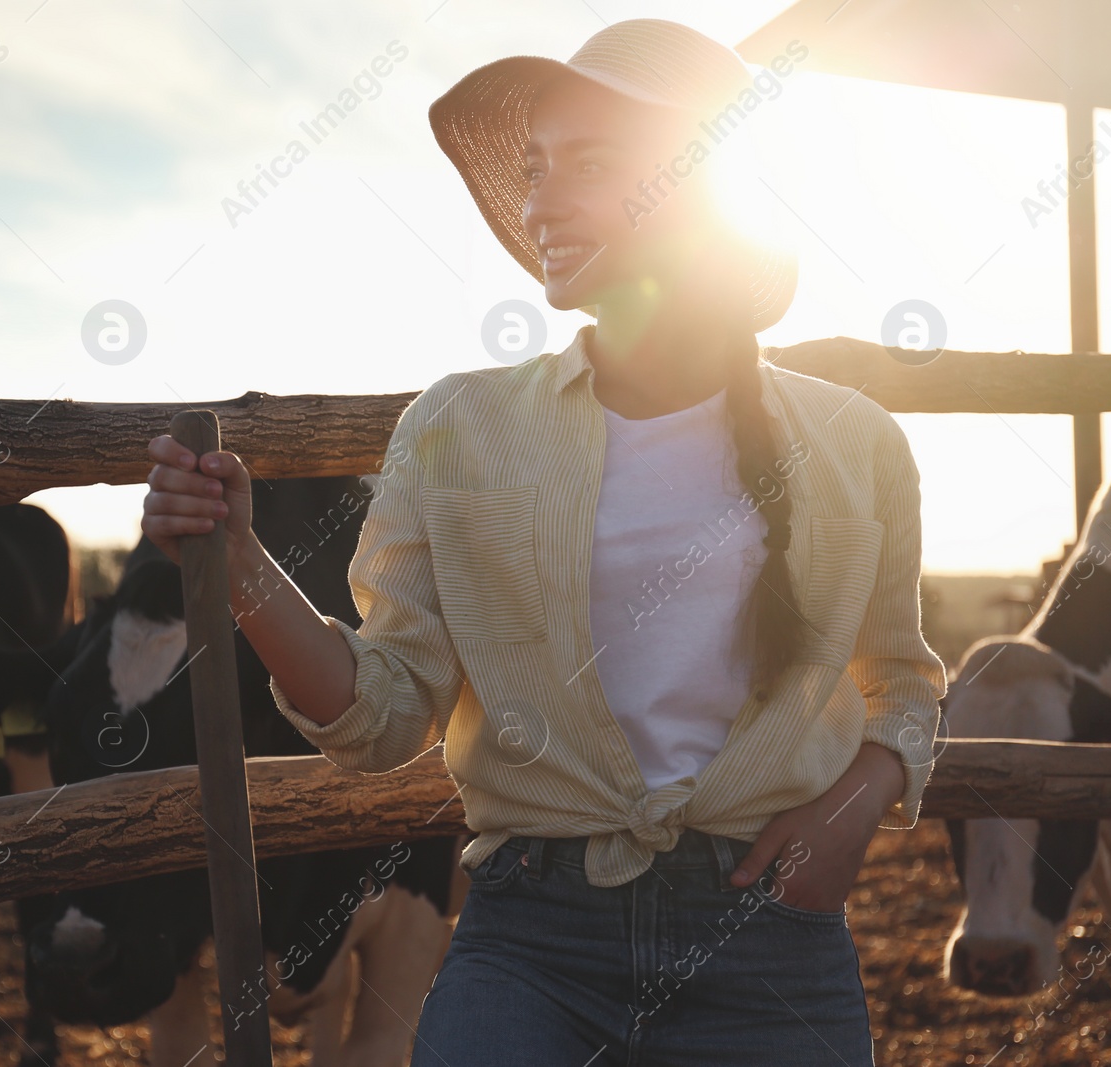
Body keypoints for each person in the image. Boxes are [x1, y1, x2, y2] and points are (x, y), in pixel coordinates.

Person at [141, 19, 945, 1067]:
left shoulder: (855, 444)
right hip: (530, 942)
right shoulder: (457, 425)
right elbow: (383, 716)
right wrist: (239, 560)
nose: (538, 202)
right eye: (534, 168)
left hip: (769, 944)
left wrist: (850, 812)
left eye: (589, 163)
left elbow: (904, 684)